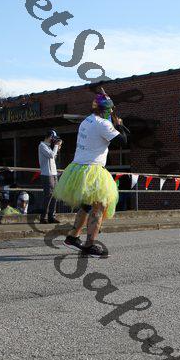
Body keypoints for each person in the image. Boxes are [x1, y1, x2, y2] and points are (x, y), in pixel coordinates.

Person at [54, 92, 129, 258]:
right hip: (93, 169)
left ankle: (72, 237)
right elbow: (123, 141)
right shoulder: (104, 124)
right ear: (106, 110)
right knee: (99, 207)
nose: (111, 112)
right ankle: (89, 245)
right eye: (110, 109)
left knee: (87, 205)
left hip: (77, 168)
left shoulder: (86, 120)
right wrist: (119, 125)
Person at [39, 129, 62, 224]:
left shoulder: (48, 147)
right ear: (50, 137)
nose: (54, 140)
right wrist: (56, 146)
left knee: (55, 195)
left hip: (53, 173)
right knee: (48, 195)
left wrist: (57, 147)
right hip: (47, 174)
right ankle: (43, 217)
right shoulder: (42, 146)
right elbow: (51, 155)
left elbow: (53, 157)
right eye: (53, 138)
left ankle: (51, 216)